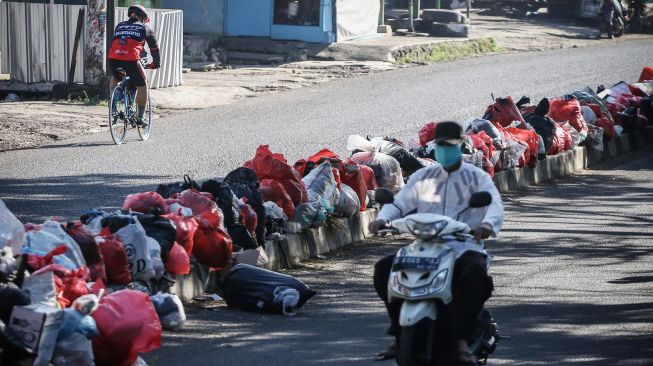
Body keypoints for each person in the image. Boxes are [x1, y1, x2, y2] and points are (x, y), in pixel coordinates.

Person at [369, 121, 504, 365]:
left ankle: (462, 342)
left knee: (474, 274)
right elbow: (399, 204)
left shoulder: (477, 178)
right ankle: (399, 335)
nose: (444, 150)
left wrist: (486, 226)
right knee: (384, 269)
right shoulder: (423, 177)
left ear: (461, 146)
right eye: (440, 145)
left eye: (449, 146)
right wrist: (381, 220)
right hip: (426, 247)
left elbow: (494, 204)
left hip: (464, 247)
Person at [108, 5, 160, 126]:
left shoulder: (120, 26)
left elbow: (117, 42)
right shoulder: (145, 28)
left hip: (113, 59)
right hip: (131, 60)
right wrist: (156, 63)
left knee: (116, 78)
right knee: (143, 84)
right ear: (142, 17)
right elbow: (154, 48)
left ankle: (113, 107)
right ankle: (140, 117)